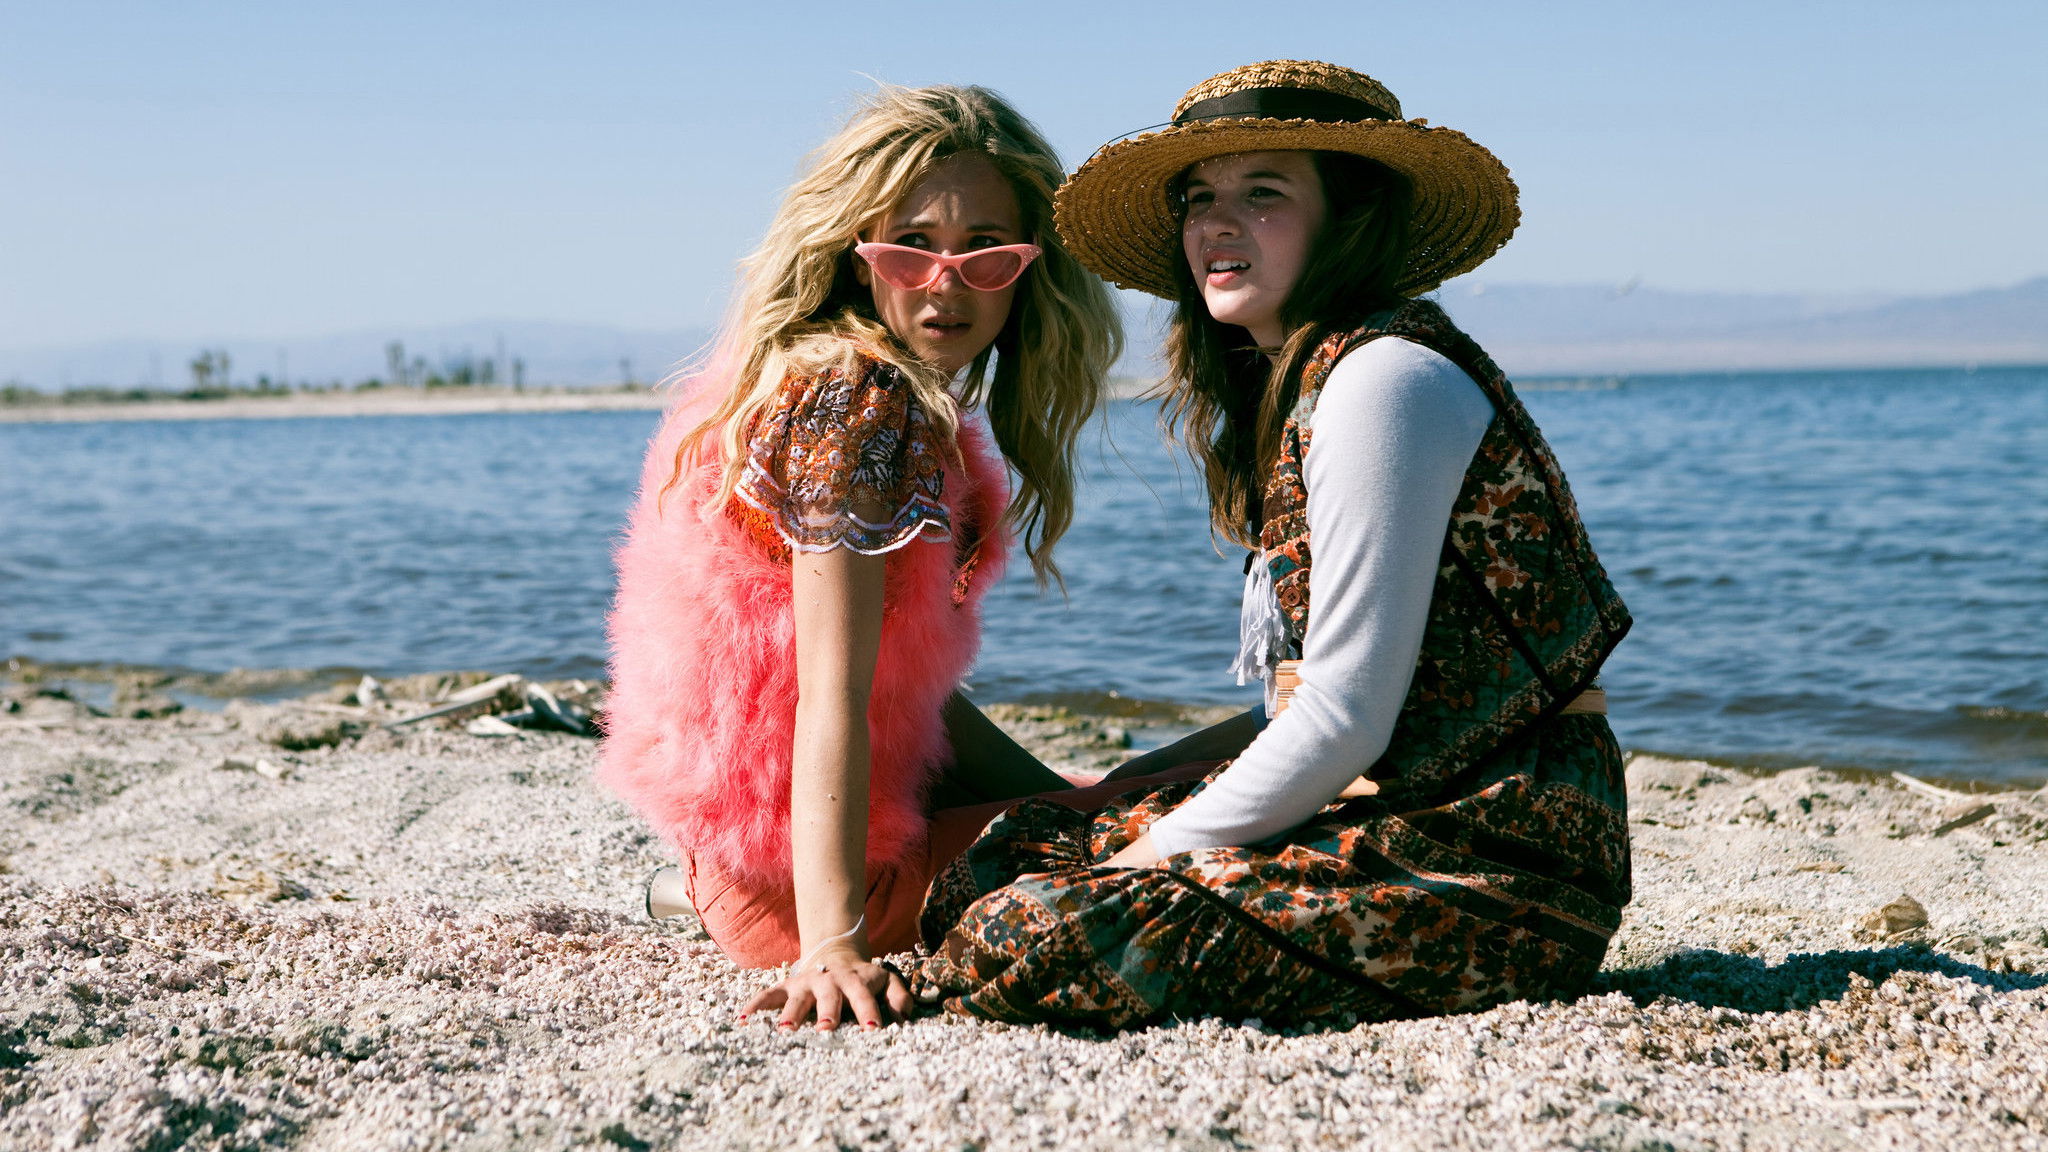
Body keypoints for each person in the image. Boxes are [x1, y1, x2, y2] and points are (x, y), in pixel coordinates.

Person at [916, 60, 1634, 1029]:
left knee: (1033, 934)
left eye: (1263, 194)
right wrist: (1133, 804)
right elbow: (1303, 712)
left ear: (1349, 217)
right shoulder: (1308, 381)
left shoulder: (1384, 380)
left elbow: (1342, 717)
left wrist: (1141, 858)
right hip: (1392, 804)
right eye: (1199, 199)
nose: (1218, 225)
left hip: (1499, 848)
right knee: (1006, 859)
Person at [598, 83, 1119, 1031]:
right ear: (854, 250)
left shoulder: (822, 379)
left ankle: (703, 903)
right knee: (1195, 817)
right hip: (819, 893)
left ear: (1027, 268)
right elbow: (829, 694)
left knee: (1137, 795)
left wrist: (1071, 796)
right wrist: (831, 944)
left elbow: (900, 695)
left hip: (744, 862)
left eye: (986, 252)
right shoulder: (856, 406)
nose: (946, 284)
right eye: (911, 246)